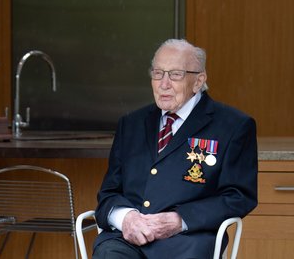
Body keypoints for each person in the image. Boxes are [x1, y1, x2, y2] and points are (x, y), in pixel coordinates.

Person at [93, 39, 257, 259]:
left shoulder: (233, 126)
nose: (164, 83)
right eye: (158, 73)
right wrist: (126, 218)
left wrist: (181, 220)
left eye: (176, 74)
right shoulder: (131, 123)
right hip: (127, 241)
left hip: (188, 241)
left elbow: (238, 197)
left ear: (198, 81)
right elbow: (109, 193)